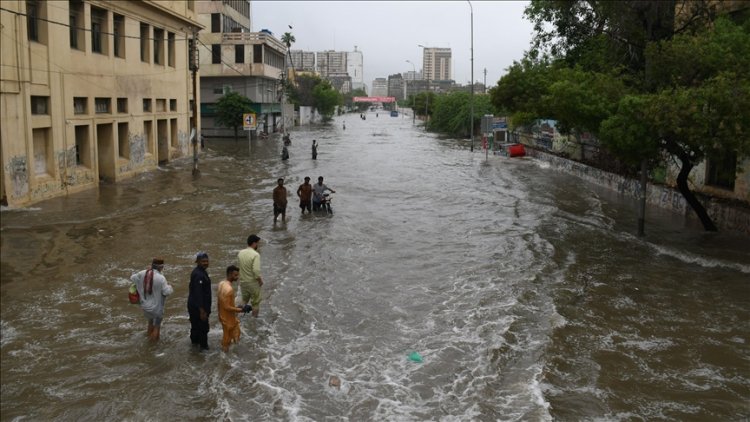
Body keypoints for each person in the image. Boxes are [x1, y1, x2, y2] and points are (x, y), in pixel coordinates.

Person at [131, 258, 173, 342]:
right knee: (157, 326)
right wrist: (170, 287)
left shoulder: (143, 273)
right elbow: (166, 292)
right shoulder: (161, 278)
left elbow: (132, 278)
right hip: (157, 308)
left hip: (145, 306)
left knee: (150, 323)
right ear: (161, 267)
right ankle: (153, 346)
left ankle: (148, 339)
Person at [216, 265, 252, 352]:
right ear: (230, 274)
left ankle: (233, 355)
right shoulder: (229, 289)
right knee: (227, 340)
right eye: (235, 275)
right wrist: (241, 310)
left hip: (223, 316)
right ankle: (225, 358)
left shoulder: (221, 284)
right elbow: (227, 307)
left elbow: (219, 302)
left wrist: (219, 314)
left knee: (236, 334)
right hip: (228, 318)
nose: (237, 277)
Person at [187, 251, 211, 350]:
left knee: (195, 327)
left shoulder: (201, 272)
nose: (205, 263)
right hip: (198, 308)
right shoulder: (199, 275)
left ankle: (194, 348)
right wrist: (202, 311)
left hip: (195, 306)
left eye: (206, 261)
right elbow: (198, 294)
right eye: (203, 261)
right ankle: (203, 350)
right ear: (197, 262)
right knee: (203, 329)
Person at [238, 234, 263, 318]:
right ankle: (254, 321)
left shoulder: (240, 253)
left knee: (244, 300)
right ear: (254, 243)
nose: (257, 245)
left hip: (243, 282)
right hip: (252, 283)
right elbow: (256, 271)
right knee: (255, 303)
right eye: (257, 243)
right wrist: (260, 281)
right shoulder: (255, 255)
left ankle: (235, 316)